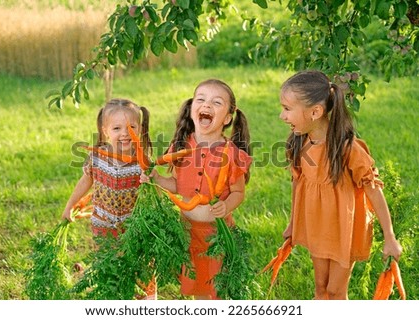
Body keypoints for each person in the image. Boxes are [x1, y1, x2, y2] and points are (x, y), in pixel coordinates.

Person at [279, 70, 402, 300]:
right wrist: (293, 224)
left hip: (344, 230)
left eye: (287, 109)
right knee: (321, 287)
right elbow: (298, 184)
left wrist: (390, 237)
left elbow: (373, 190)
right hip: (317, 226)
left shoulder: (348, 149)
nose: (281, 116)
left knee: (336, 291)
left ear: (315, 112)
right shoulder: (299, 143)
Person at [141, 79, 252, 300]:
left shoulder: (232, 154)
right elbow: (176, 185)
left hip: (217, 235)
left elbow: (238, 192)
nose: (207, 105)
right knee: (198, 288)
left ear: (228, 118)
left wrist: (226, 205)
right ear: (192, 110)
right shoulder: (181, 147)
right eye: (201, 99)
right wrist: (156, 179)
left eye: (217, 102)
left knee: (217, 288)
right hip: (187, 232)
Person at [61, 98, 156, 299]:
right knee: (109, 266)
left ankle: (148, 303)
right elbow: (85, 182)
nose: (125, 133)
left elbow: (154, 190)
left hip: (135, 227)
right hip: (103, 224)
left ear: (139, 129)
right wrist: (70, 205)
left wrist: (150, 179)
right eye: (117, 128)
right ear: (105, 131)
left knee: (141, 269)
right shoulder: (96, 158)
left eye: (131, 127)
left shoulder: (143, 161)